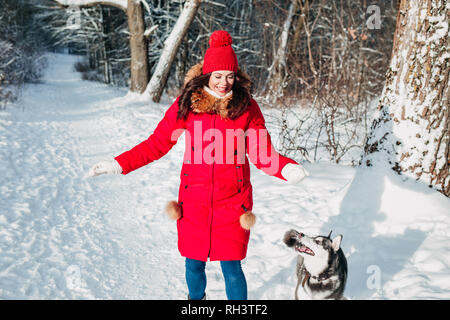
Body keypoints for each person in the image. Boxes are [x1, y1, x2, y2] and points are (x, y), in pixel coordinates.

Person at [88, 30, 309, 300]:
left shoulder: (246, 107)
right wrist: (118, 164)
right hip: (194, 202)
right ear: (207, 74)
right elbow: (157, 144)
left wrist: (285, 168)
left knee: (232, 266)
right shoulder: (188, 106)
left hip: (234, 201)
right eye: (218, 76)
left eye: (230, 76)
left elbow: (261, 152)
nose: (224, 83)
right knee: (193, 264)